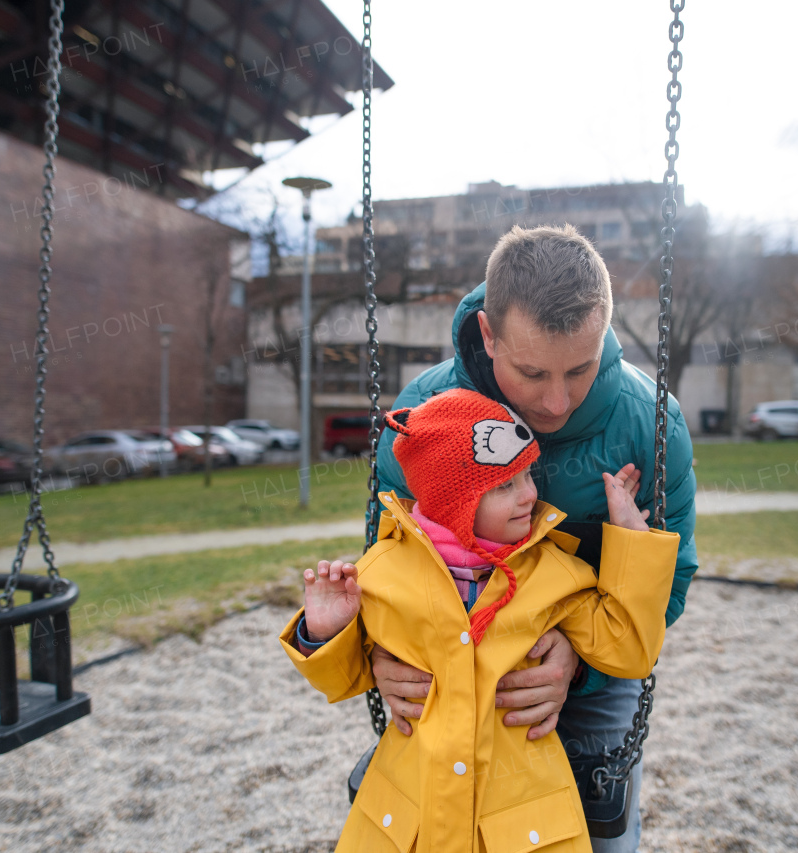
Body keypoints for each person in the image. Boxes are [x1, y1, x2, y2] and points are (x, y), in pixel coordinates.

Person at [367, 224, 700, 852]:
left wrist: (578, 667)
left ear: (605, 330)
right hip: (448, 663)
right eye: (531, 371)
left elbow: (671, 579)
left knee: (597, 832)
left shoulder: (648, 421)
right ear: (489, 335)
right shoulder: (423, 416)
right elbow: (383, 557)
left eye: (579, 368)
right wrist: (379, 653)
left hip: (593, 656)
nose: (555, 401)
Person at [280, 389, 681, 852]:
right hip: (412, 814)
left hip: (522, 819)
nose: (530, 494)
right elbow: (347, 675)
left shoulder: (552, 572)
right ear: (454, 503)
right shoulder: (383, 570)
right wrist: (325, 632)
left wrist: (632, 542)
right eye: (504, 486)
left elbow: (627, 648)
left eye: (527, 475)